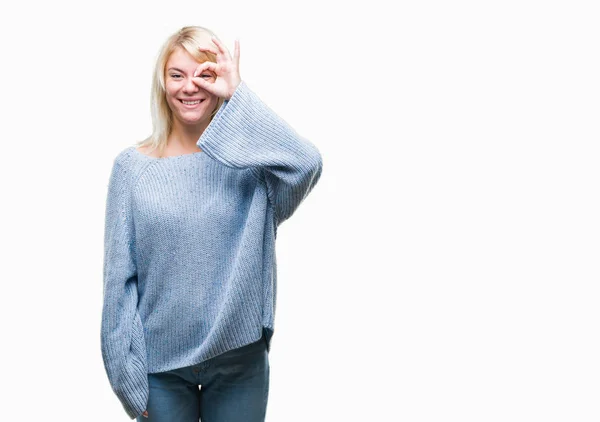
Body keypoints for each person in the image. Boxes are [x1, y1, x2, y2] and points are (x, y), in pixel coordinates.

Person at [100, 25, 323, 421]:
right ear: (162, 83)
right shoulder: (132, 170)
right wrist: (125, 379)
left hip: (238, 359)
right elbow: (119, 280)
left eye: (203, 74)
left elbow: (306, 163)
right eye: (177, 75)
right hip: (160, 369)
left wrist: (239, 96)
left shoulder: (253, 166)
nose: (189, 87)